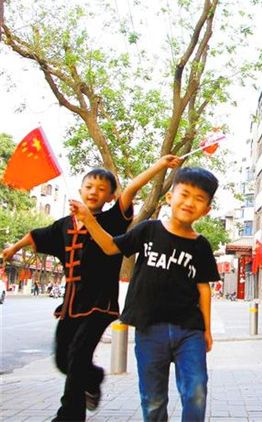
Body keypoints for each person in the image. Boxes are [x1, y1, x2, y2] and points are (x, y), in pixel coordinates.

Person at [2, 155, 182, 421]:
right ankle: (93, 376)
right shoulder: (63, 225)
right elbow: (35, 235)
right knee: (63, 360)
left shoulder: (114, 219)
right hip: (70, 304)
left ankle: (69, 415)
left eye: (101, 189)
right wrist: (13, 248)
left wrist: (161, 165)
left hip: (99, 303)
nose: (93, 192)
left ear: (110, 196)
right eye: (89, 187)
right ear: (80, 190)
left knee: (77, 356)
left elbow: (131, 188)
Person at [70, 166, 221, 422]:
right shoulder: (148, 230)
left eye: (199, 199)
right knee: (153, 400)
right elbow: (110, 247)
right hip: (150, 329)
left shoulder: (201, 245)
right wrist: (89, 219)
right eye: (184, 194)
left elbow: (203, 288)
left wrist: (207, 329)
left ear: (206, 209)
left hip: (190, 331)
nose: (189, 203)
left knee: (196, 392)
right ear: (169, 197)